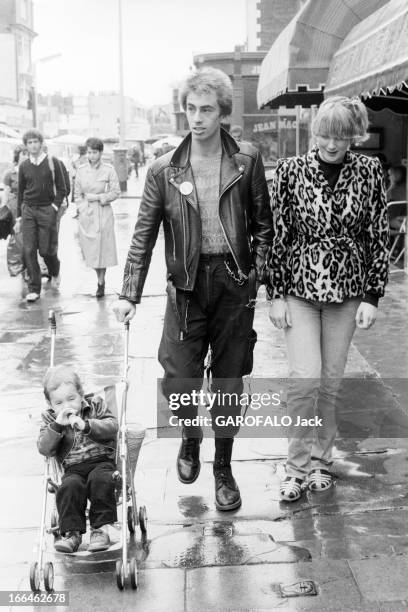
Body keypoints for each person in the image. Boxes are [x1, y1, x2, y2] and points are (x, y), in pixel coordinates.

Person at [113, 67, 273, 511]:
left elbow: (264, 227)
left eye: (206, 109)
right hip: (185, 288)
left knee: (228, 380)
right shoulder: (163, 169)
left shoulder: (246, 159)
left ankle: (223, 466)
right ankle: (189, 435)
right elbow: (143, 235)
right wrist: (129, 292)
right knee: (177, 378)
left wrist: (253, 277)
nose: (197, 118)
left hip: (232, 284)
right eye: (190, 108)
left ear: (222, 112)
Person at [267, 96, 389, 502]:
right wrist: (276, 293)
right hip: (299, 289)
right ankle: (296, 467)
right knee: (305, 380)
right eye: (323, 134)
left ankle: (322, 460)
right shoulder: (289, 171)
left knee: (331, 384)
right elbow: (279, 235)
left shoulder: (369, 171)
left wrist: (373, 295)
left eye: (340, 136)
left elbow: (377, 236)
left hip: (348, 291)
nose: (331, 144)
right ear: (314, 131)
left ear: (354, 135)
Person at [37, 365, 118, 553]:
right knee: (69, 487)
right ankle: (72, 534)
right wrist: (57, 426)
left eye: (72, 399)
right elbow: (44, 448)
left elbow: (113, 426)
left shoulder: (95, 405)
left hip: (101, 461)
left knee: (101, 480)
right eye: (58, 403)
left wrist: (87, 425)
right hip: (73, 468)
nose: (66, 406)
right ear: (50, 404)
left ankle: (100, 530)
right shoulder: (50, 419)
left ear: (81, 395)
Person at [15, 129, 68, 302]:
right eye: (29, 143)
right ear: (26, 145)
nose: (33, 145)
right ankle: (34, 288)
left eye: (35, 141)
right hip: (29, 209)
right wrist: (19, 216)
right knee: (29, 249)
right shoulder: (23, 165)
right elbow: (21, 192)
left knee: (46, 250)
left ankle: (55, 271)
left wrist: (54, 207)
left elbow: (63, 188)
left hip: (47, 209)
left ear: (41, 142)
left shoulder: (54, 162)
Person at [74, 137, 121, 298]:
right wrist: (82, 209)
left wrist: (99, 197)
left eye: (94, 152)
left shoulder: (109, 169)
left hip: (104, 212)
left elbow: (116, 192)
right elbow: (77, 194)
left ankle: (101, 282)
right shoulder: (81, 170)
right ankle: (98, 276)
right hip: (87, 213)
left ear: (100, 153)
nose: (91, 155)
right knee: (91, 249)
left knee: (103, 249)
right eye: (89, 152)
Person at [2, 145, 28, 285]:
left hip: (28, 205)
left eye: (26, 154)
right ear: (17, 157)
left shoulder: (31, 170)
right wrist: (4, 208)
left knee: (29, 237)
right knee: (17, 238)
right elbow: (6, 192)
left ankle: (29, 267)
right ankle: (21, 268)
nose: (24, 157)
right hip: (14, 207)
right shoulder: (10, 173)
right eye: (22, 155)